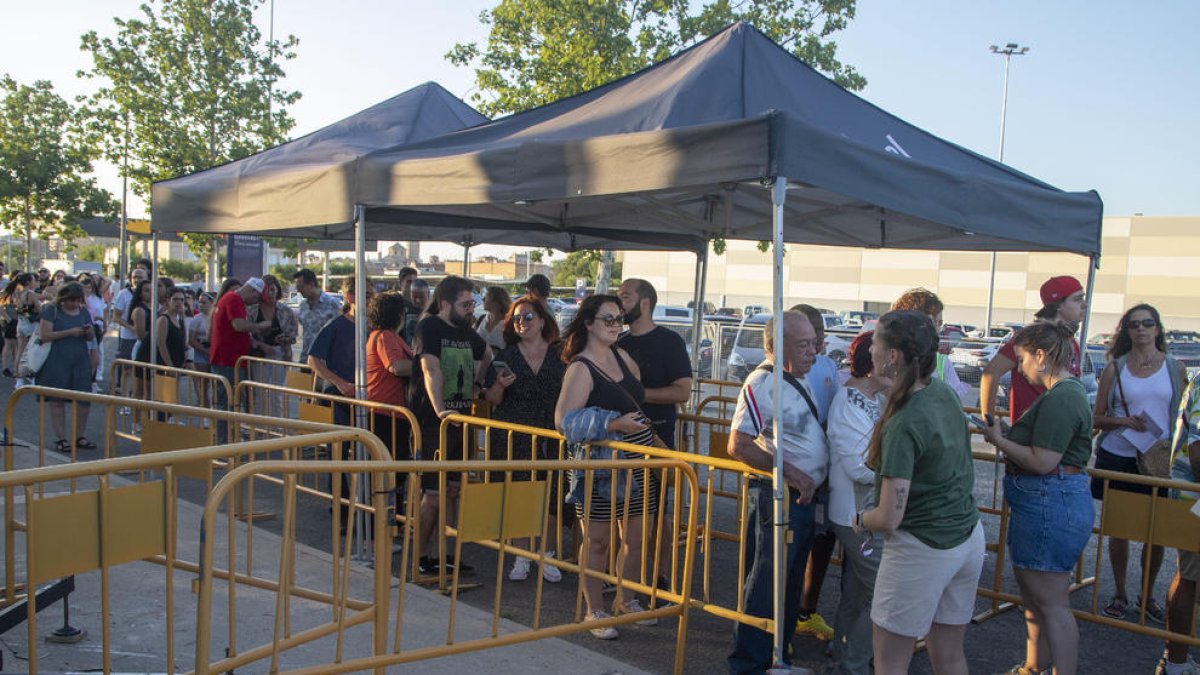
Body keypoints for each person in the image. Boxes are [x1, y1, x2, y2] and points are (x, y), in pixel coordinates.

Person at [855, 310, 983, 675]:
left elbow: (889, 516)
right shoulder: (941, 391)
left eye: (876, 342)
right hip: (966, 538)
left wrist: (858, 520)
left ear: (893, 355)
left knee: (890, 664)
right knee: (949, 655)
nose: (871, 350)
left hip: (922, 547)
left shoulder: (904, 421)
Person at [982, 321, 1095, 675]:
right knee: (1039, 599)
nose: (1020, 368)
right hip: (1048, 501)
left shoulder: (1062, 397)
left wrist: (997, 439)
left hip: (1048, 502)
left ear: (1041, 356)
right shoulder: (1065, 393)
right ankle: (1034, 666)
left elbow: (1043, 462)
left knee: (1050, 602)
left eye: (1023, 359)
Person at [725, 310, 829, 672]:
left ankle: (777, 657)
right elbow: (738, 444)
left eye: (814, 344)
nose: (812, 353)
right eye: (803, 345)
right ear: (774, 346)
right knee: (767, 582)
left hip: (798, 499)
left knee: (787, 582)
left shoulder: (798, 378)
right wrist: (792, 474)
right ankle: (750, 663)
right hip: (776, 497)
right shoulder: (761, 382)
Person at [555, 294, 659, 640]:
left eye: (619, 319)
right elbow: (563, 420)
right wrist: (613, 424)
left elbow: (638, 393)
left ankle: (626, 601)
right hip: (600, 469)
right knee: (597, 541)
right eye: (608, 319)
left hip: (636, 461)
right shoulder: (580, 367)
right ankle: (594, 609)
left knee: (636, 537)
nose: (616, 325)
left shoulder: (623, 355)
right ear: (588, 323)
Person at [1090, 304, 1187, 624]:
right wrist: (1123, 421)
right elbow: (1097, 417)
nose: (1141, 329)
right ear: (1127, 331)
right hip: (1119, 456)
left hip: (1158, 461)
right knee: (1119, 531)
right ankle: (1120, 594)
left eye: (1147, 323)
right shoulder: (1115, 368)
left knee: (1155, 533)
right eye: (1134, 325)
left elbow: (1185, 416)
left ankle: (1148, 596)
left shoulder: (1175, 367)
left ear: (1158, 329)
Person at [409, 275, 489, 575]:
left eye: (472, 304)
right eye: (465, 304)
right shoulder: (428, 327)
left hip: (460, 422)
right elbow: (430, 369)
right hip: (433, 424)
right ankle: (420, 557)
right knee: (433, 495)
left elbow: (487, 354)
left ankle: (444, 555)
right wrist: (441, 410)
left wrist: (478, 384)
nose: (471, 309)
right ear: (445, 304)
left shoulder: (469, 333)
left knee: (453, 491)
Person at [483, 293, 566, 583]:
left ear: (543, 320)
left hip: (550, 432)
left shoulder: (561, 354)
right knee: (519, 496)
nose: (522, 322)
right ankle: (522, 557)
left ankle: (549, 555)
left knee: (552, 497)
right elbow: (492, 399)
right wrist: (501, 387)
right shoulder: (505, 356)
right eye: (516, 318)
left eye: (528, 317)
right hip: (513, 432)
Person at [826, 331, 890, 675]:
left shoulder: (873, 398)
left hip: (863, 512)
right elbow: (857, 466)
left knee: (858, 591)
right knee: (879, 592)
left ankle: (843, 656)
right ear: (872, 364)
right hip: (855, 512)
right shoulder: (851, 401)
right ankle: (853, 664)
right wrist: (900, 469)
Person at [789, 303, 841, 640]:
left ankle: (807, 610)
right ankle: (780, 623)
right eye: (809, 337)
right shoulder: (773, 376)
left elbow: (835, 411)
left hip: (825, 474)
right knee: (790, 550)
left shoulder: (828, 367)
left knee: (822, 542)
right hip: (792, 478)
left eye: (820, 334)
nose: (817, 343)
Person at [982, 276, 1086, 423]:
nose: (1084, 305)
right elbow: (991, 372)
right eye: (1077, 299)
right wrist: (989, 420)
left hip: (1060, 428)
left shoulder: (1070, 340)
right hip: (1031, 432)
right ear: (1058, 305)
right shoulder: (1031, 337)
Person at [1158, 372, 1200, 675]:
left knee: (1188, 576)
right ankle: (1175, 664)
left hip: (1190, 497)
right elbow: (1198, 448)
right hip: (1194, 499)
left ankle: (1176, 661)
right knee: (1189, 577)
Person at [36, 282, 99, 453]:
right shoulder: (51, 310)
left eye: (77, 300)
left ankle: (80, 436)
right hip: (57, 360)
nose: (74, 304)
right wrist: (70, 332)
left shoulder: (84, 311)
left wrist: (89, 332)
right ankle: (61, 438)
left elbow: (91, 336)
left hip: (80, 360)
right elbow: (44, 335)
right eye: (71, 300)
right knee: (57, 401)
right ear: (63, 298)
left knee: (83, 400)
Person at [209, 278, 270, 436]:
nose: (255, 302)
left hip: (230, 360)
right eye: (256, 297)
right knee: (227, 403)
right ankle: (224, 441)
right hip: (227, 361)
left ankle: (228, 437)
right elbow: (238, 325)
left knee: (230, 402)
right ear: (251, 291)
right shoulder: (233, 299)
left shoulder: (232, 299)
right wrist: (259, 326)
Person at [890, 288, 970, 402]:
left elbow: (954, 406)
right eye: (931, 321)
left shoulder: (942, 363)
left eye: (939, 323)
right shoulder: (887, 358)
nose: (936, 328)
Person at [366, 291, 414, 467]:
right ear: (399, 315)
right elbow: (396, 366)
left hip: (386, 409)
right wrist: (427, 366)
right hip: (386, 411)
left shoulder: (383, 335)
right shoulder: (386, 336)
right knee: (392, 467)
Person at [248, 275, 298, 413]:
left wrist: (285, 339)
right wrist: (259, 344)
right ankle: (258, 429)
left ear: (277, 291)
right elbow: (246, 334)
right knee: (260, 394)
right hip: (258, 356)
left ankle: (277, 429)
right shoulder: (252, 310)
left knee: (277, 394)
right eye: (265, 290)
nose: (270, 294)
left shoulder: (286, 311)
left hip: (279, 354)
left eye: (272, 290)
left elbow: (293, 336)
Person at [291, 268, 342, 363]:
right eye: (297, 287)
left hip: (326, 361)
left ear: (311, 284)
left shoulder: (332, 303)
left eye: (301, 286)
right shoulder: (303, 306)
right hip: (306, 359)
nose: (299, 290)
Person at [112, 267, 149, 395]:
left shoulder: (150, 295)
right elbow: (116, 317)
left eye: (140, 277)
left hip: (144, 338)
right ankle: (125, 400)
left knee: (141, 371)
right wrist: (132, 327)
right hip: (128, 338)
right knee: (127, 369)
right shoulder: (124, 294)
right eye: (135, 277)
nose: (137, 280)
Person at [2, 272, 40, 386]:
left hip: (20, 323)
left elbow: (19, 309)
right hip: (30, 324)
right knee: (30, 351)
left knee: (19, 351)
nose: (35, 282)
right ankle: (30, 375)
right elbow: (38, 309)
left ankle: (19, 378)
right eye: (33, 280)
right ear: (29, 282)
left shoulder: (16, 294)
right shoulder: (30, 294)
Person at [188, 292, 215, 406]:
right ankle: (205, 410)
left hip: (215, 352)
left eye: (204, 302)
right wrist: (205, 351)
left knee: (217, 383)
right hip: (201, 351)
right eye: (199, 302)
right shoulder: (197, 319)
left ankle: (216, 408)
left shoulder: (216, 316)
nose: (201, 305)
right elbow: (191, 340)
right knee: (203, 383)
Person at [476, 285, 511, 352]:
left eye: (487, 296)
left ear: (497, 301)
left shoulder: (509, 324)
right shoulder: (481, 319)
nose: (483, 299)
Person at [403, 278, 430, 344]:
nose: (418, 300)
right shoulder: (404, 311)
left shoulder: (434, 311)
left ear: (428, 294)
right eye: (414, 297)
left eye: (421, 297)